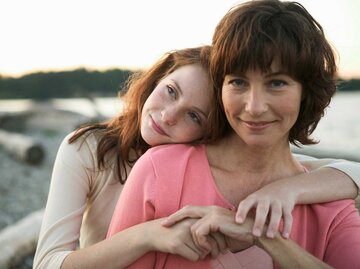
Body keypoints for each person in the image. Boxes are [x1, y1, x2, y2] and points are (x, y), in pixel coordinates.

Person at [34, 44, 358, 269]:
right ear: (158, 77)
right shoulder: (90, 148)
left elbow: (345, 171)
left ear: (211, 133)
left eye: (194, 116)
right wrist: (149, 235)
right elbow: (47, 263)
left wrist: (285, 190)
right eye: (171, 91)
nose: (169, 115)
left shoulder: (198, 164)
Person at [107, 1, 360, 268]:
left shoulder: (331, 210)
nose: (254, 107)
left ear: (306, 93)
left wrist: (267, 237)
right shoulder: (161, 170)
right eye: (238, 82)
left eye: (276, 83)